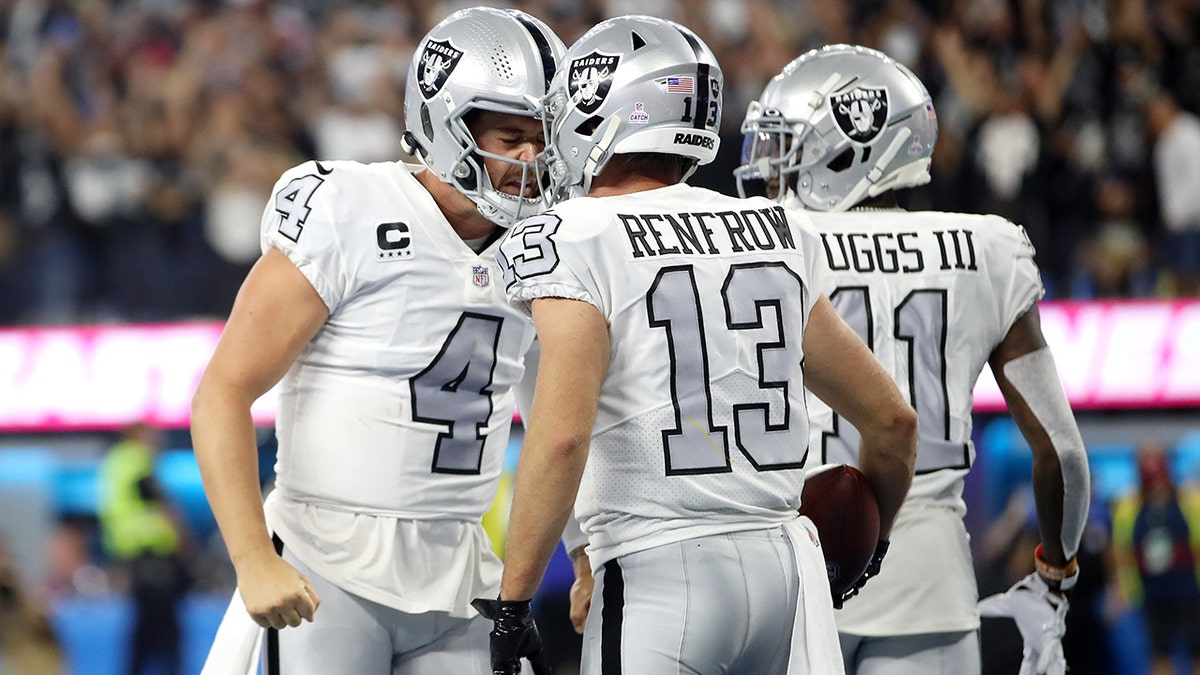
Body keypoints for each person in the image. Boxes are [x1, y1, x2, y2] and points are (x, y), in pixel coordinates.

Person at [478, 17, 918, 675]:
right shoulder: (776, 227)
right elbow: (892, 421)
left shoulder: (571, 233)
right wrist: (871, 543)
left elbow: (562, 435)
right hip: (787, 565)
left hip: (660, 568)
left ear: (602, 110)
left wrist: (514, 602)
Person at [190, 7, 563, 673]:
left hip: (461, 572)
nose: (533, 158)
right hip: (325, 561)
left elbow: (559, 419)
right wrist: (251, 557)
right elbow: (223, 389)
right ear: (449, 124)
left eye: (546, 137)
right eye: (513, 136)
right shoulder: (352, 209)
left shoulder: (549, 245)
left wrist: (586, 547)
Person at [735, 45, 1092, 675]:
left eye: (789, 146)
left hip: (783, 576)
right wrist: (1054, 576)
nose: (772, 169)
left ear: (849, 148)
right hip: (931, 585)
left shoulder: (769, 241)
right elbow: (1061, 452)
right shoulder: (988, 246)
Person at [97, 422, 189, 675]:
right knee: (163, 628)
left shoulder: (113, 464)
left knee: (145, 628)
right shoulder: (134, 459)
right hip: (151, 553)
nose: (159, 442)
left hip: (132, 553)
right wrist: (183, 536)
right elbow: (156, 499)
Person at [1111, 440, 1200, 675]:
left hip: (1189, 591)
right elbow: (1122, 552)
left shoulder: (1188, 500)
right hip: (1152, 594)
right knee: (1159, 654)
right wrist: (1120, 590)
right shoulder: (1129, 506)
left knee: (1196, 650)